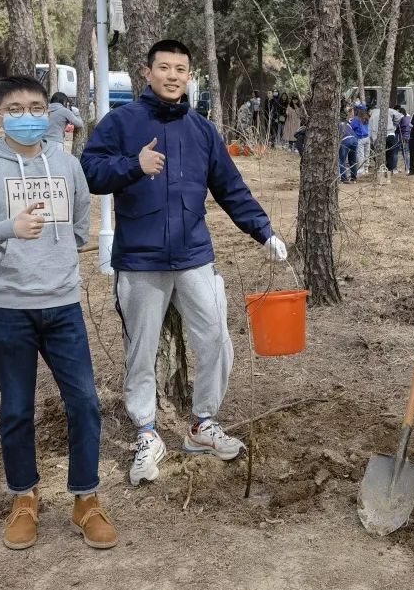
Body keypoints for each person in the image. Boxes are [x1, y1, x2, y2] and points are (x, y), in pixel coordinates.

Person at [80, 39, 288, 486]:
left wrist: (262, 229)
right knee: (141, 350)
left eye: (181, 69)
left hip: (195, 256)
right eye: (164, 68)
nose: (173, 76)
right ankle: (147, 434)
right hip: (140, 261)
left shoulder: (202, 130)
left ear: (189, 76)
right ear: (147, 72)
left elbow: (230, 187)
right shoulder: (121, 122)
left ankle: (202, 425)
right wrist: (133, 166)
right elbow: (91, 172)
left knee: (216, 337)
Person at [0, 75, 117, 551]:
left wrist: (59, 256)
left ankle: (87, 499)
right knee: (16, 409)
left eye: (37, 105)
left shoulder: (66, 164)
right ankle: (24, 497)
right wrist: (6, 229)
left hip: (62, 304)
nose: (28, 115)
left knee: (84, 402)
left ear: (50, 111)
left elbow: (82, 220)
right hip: (6, 308)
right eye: (16, 108)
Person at [369, 101, 403, 178]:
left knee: (378, 154)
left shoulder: (372, 115)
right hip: (390, 134)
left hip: (379, 137)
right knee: (391, 153)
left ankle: (381, 169)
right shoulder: (388, 110)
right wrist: (394, 125)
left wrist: (373, 141)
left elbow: (371, 129)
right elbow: (399, 116)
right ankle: (389, 170)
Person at [339, 107, 358, 183]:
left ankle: (344, 179)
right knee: (352, 160)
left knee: (342, 160)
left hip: (345, 141)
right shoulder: (347, 123)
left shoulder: (336, 124)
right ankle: (354, 178)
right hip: (354, 140)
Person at [351, 103, 370, 176]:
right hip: (367, 138)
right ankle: (366, 169)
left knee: (360, 154)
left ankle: (361, 169)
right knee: (367, 154)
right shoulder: (366, 117)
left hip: (360, 138)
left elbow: (352, 126)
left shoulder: (356, 118)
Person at [397, 106, 412, 173]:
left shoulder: (401, 118)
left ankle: (407, 168)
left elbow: (398, 127)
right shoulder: (409, 117)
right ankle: (407, 168)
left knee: (405, 152)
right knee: (407, 152)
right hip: (409, 136)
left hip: (403, 136)